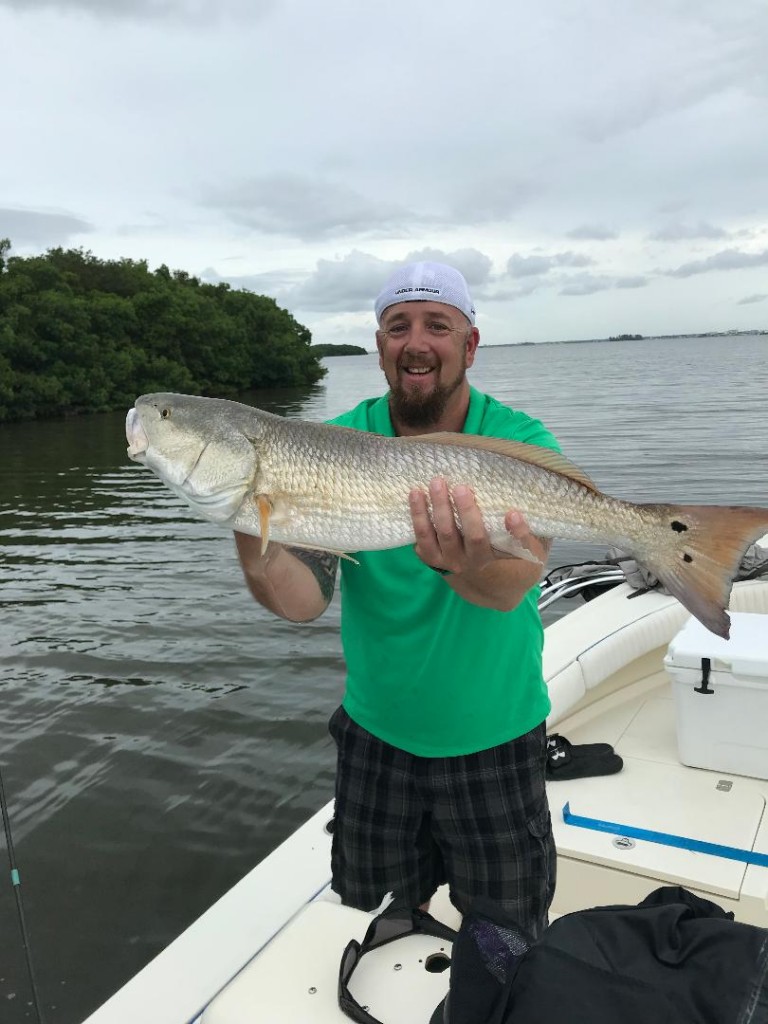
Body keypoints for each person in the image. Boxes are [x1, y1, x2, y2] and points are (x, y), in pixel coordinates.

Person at [234, 261, 559, 938]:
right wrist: (249, 521)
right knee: (375, 921)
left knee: (507, 933)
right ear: (378, 346)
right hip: (375, 738)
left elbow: (511, 589)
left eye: (437, 325)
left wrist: (457, 565)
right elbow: (299, 603)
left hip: (495, 738)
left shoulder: (522, 445)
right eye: (397, 326)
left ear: (469, 345)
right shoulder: (328, 448)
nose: (416, 342)